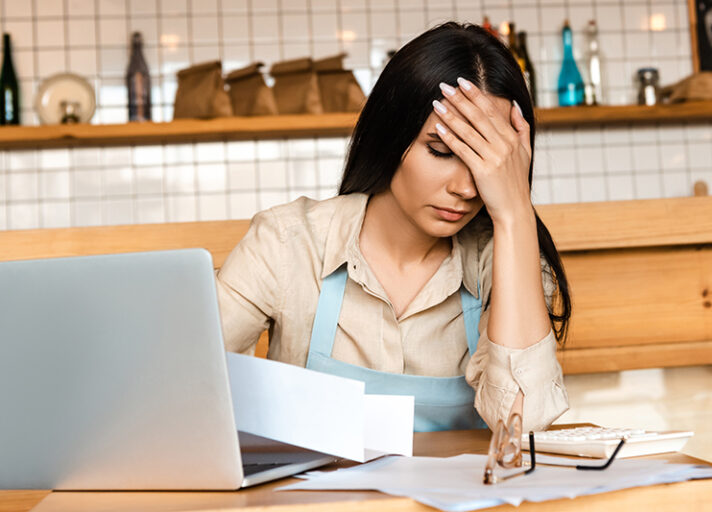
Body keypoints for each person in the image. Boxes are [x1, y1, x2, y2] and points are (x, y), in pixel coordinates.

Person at [215, 21, 572, 433]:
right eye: (440, 151)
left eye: (486, 164)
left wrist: (514, 214)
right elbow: (194, 383)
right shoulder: (287, 242)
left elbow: (522, 427)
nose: (466, 187)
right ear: (391, 134)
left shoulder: (509, 258)